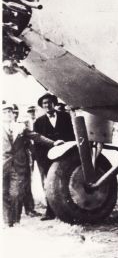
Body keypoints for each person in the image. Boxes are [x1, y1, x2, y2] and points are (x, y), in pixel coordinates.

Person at [2, 103, 63, 227]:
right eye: (4, 112)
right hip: (2, 164)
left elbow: (37, 137)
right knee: (3, 193)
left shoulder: (21, 127)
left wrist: (54, 143)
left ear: (13, 114)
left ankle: (14, 220)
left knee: (16, 193)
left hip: (19, 164)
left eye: (9, 112)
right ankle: (7, 221)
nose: (7, 114)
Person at [33, 93, 75, 221]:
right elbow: (38, 141)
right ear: (42, 106)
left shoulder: (65, 117)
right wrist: (41, 160)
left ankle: (66, 211)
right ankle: (50, 211)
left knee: (64, 182)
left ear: (54, 104)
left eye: (49, 102)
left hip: (64, 156)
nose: (47, 105)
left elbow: (72, 135)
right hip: (46, 157)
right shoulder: (38, 122)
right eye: (44, 103)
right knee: (47, 183)